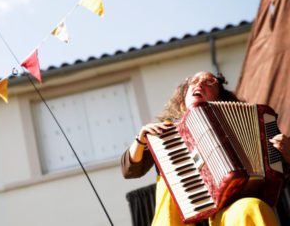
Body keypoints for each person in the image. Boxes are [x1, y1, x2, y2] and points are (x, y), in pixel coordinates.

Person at [121, 71, 290, 226]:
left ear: (219, 97)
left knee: (252, 206)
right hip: (177, 220)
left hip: (224, 215)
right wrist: (141, 140)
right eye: (193, 81)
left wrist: (288, 155)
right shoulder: (165, 133)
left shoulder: (249, 123)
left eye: (209, 82)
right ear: (182, 100)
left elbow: (278, 178)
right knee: (169, 182)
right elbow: (130, 171)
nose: (199, 84)